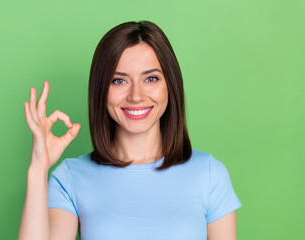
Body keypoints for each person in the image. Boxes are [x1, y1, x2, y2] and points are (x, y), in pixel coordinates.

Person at [18, 20, 242, 240]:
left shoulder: (210, 174)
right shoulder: (69, 178)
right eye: (119, 81)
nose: (136, 96)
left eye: (151, 78)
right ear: (101, 90)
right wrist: (38, 168)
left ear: (170, 86)